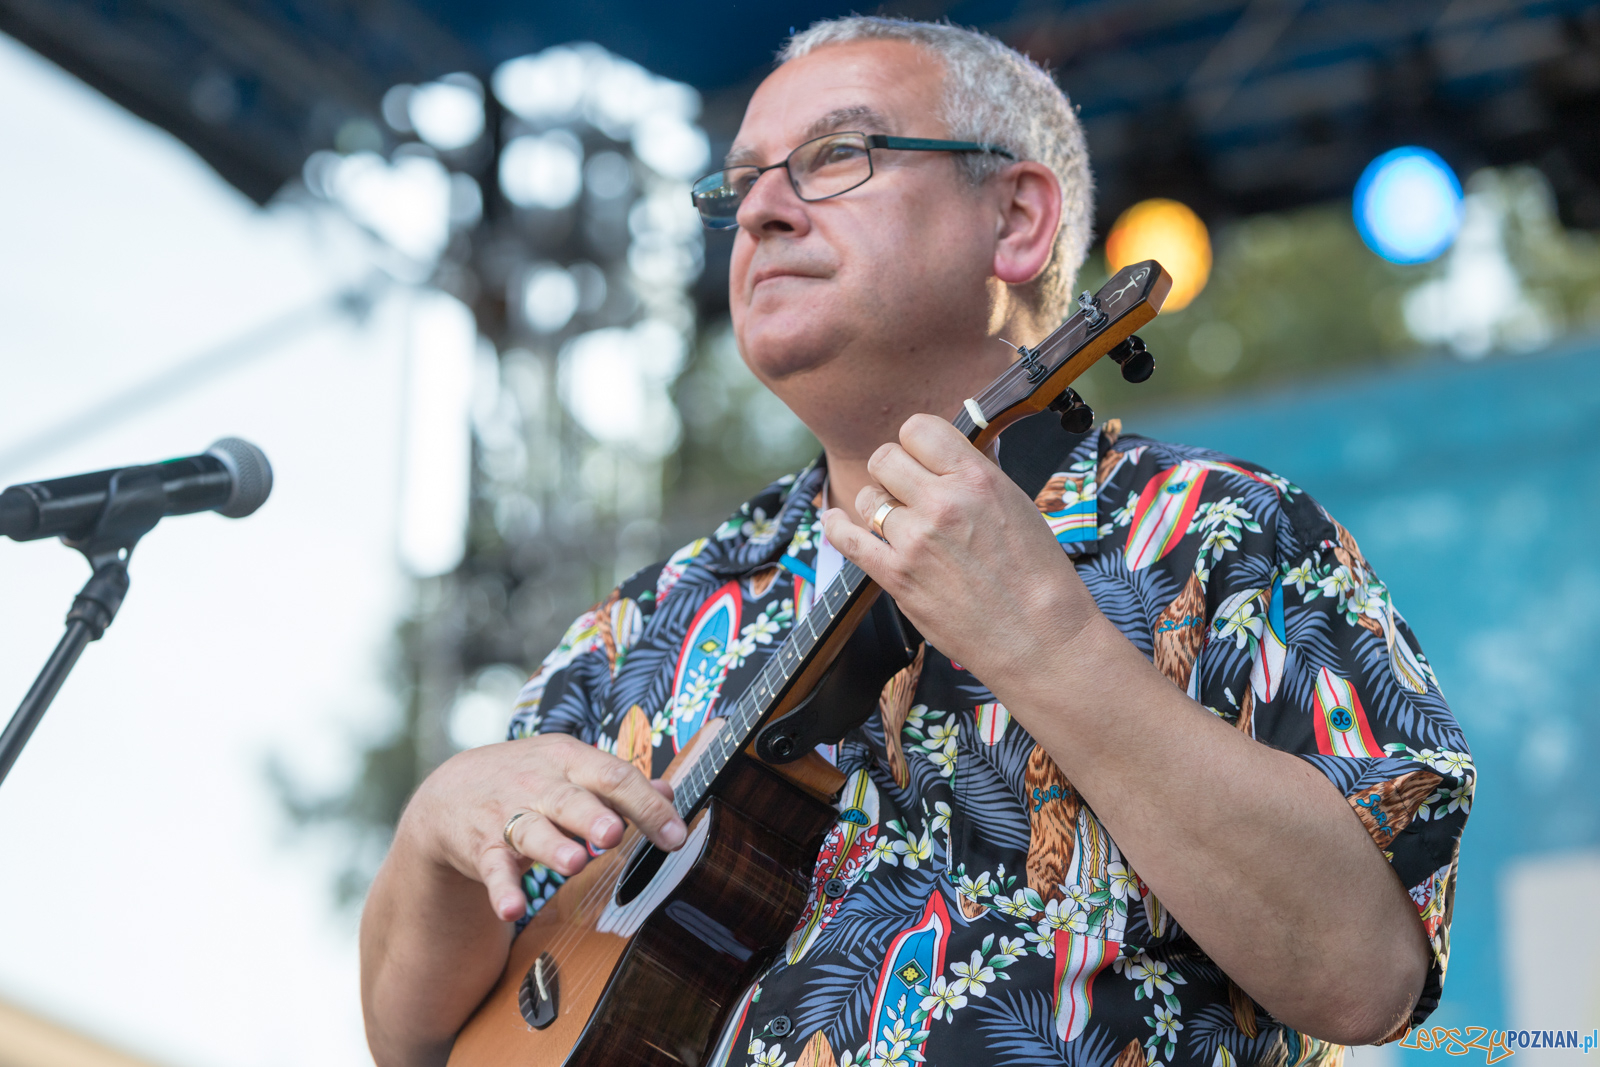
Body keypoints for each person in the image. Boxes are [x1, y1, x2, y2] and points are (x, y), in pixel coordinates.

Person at [359, 17, 1472, 1067]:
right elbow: (414, 1037)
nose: (760, 213)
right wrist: (431, 834)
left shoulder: (1221, 533)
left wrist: (1048, 645)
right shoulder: (645, 621)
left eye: (835, 154)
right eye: (740, 186)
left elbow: (1364, 976)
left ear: (1017, 220)